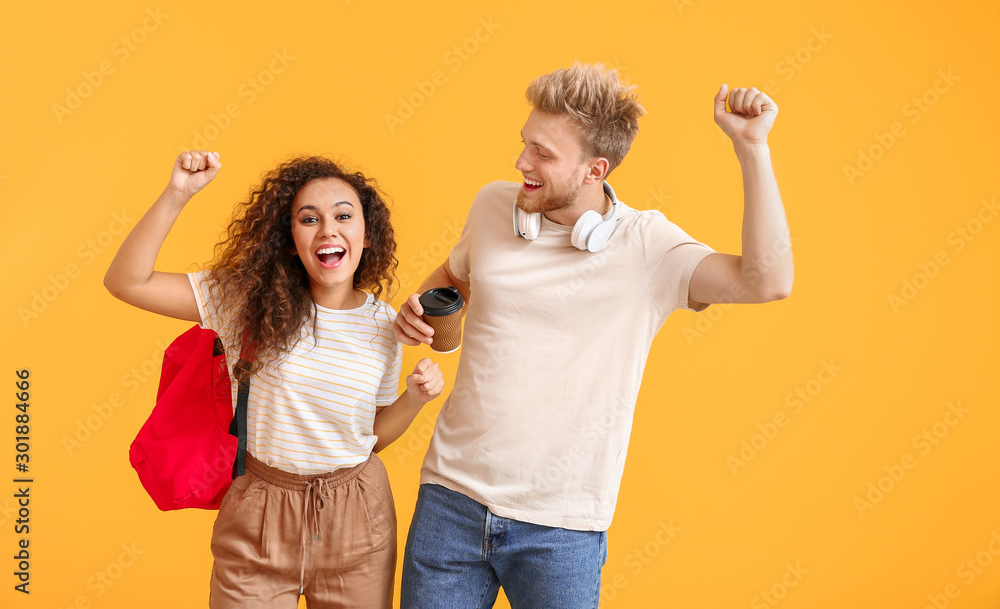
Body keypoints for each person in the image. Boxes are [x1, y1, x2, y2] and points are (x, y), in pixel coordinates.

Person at [393, 62, 793, 608]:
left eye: (543, 154)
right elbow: (453, 281)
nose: (521, 162)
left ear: (594, 169)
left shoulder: (648, 247)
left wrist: (752, 148)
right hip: (450, 502)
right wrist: (425, 315)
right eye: (524, 143)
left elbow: (768, 281)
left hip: (561, 527)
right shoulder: (492, 205)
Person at [105, 151, 444, 608]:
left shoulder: (384, 324)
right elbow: (128, 282)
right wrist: (176, 195)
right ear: (289, 240)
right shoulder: (246, 301)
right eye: (309, 219)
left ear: (367, 236)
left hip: (357, 515)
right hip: (259, 509)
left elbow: (372, 435)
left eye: (344, 216)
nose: (328, 229)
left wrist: (414, 399)